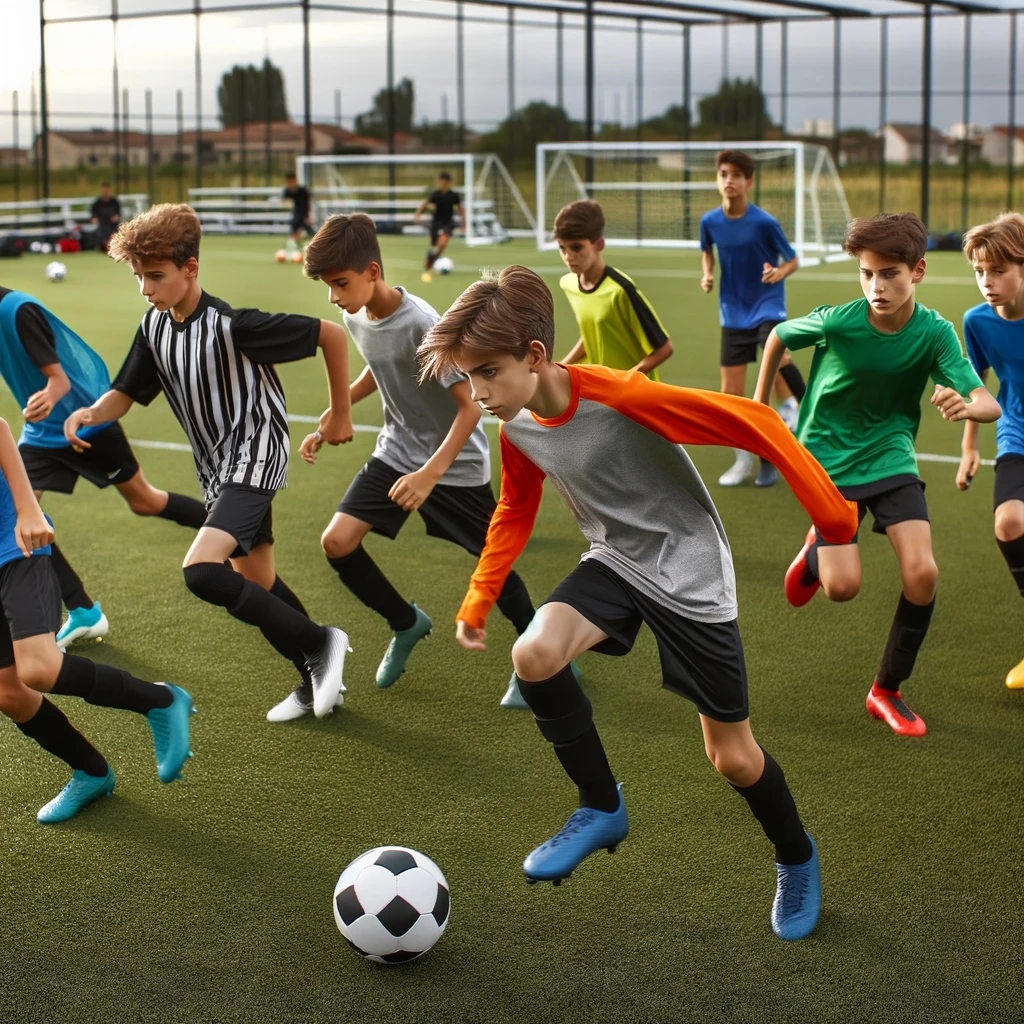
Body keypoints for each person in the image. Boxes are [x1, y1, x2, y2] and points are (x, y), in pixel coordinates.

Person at [417, 264, 860, 941]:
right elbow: (513, 509)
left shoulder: (624, 395)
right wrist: (479, 597)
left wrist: (834, 528)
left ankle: (796, 856)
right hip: (616, 561)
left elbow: (758, 421)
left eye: (486, 374)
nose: (476, 394)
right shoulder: (518, 427)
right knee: (533, 652)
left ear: (534, 356)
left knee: (733, 758)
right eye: (467, 378)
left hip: (687, 568)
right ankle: (601, 807)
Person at [63, 203, 354, 718]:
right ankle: (312, 679)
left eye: (156, 276)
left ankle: (320, 641)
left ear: (190, 269)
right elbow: (123, 394)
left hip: (256, 452)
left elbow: (329, 334)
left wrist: (338, 414)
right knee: (258, 579)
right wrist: (88, 413)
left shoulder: (233, 325)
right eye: (138, 277)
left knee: (202, 572)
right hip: (218, 467)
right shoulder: (154, 327)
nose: (146, 289)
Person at [276, 213, 544, 719]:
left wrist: (429, 476)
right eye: (327, 286)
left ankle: (544, 658)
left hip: (453, 462)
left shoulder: (423, 324)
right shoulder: (357, 315)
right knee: (337, 542)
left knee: (491, 565)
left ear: (372, 271)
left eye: (340, 283)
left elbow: (470, 408)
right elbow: (380, 371)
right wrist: (337, 413)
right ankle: (405, 622)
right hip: (396, 450)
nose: (334, 297)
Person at [757, 213, 1001, 737]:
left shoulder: (934, 333)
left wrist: (966, 404)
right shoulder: (838, 321)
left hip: (891, 456)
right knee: (842, 588)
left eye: (889, 274)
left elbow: (988, 404)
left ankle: (885, 690)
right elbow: (777, 336)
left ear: (918, 271)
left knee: (924, 573)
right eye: (867, 274)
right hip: (826, 457)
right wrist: (758, 409)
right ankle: (816, 552)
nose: (876, 287)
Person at [0, 412, 194, 823]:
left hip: (12, 544)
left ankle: (160, 699)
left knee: (37, 669)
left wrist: (28, 509)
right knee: (9, 692)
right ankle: (91, 773)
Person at [0, 284, 207, 649]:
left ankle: (230, 531)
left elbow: (59, 379)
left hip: (85, 423)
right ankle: (83, 611)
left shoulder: (17, 311)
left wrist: (47, 396)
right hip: (41, 434)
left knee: (146, 501)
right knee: (19, 518)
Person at [700, 149, 806, 488]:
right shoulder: (709, 222)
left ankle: (799, 406)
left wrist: (779, 271)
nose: (728, 180)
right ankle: (745, 460)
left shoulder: (764, 222)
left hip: (767, 304)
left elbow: (792, 260)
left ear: (749, 182)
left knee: (777, 355)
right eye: (723, 174)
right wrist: (708, 274)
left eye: (735, 175)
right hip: (732, 310)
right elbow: (706, 249)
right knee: (731, 395)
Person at [958, 212, 1024, 690]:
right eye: (980, 271)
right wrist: (969, 447)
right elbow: (975, 385)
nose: (987, 282)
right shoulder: (976, 321)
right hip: (1016, 433)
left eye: (998, 270)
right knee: (1008, 523)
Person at [554, 200, 674, 381]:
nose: (568, 256)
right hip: (601, 389)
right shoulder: (569, 284)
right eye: (562, 248)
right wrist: (561, 366)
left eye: (577, 247)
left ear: (599, 244)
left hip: (634, 395)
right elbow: (593, 333)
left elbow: (664, 348)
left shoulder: (620, 290)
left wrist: (624, 381)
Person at [414, 172, 464, 272]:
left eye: (444, 182)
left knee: (443, 241)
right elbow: (426, 203)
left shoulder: (453, 195)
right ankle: (433, 256)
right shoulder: (435, 194)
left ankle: (433, 257)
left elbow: (460, 209)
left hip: (448, 222)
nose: (442, 184)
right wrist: (418, 214)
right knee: (434, 243)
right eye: (440, 182)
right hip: (436, 222)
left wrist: (464, 222)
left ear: (448, 182)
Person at [284, 173, 314, 251]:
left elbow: (308, 201)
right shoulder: (288, 191)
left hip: (304, 214)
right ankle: (293, 247)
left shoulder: (302, 190)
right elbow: (285, 201)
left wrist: (308, 214)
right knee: (294, 231)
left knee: (311, 233)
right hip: (297, 214)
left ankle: (311, 245)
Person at [90, 183, 121, 253]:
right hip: (101, 225)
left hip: (112, 225)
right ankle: (103, 246)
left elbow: (117, 215)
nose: (106, 192)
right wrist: (95, 220)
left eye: (107, 190)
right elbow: (93, 217)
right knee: (100, 231)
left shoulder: (114, 202)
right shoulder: (97, 203)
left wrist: (114, 218)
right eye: (104, 190)